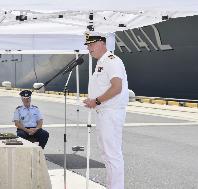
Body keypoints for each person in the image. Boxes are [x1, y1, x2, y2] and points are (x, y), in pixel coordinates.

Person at [83, 31, 129, 189]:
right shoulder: (102, 62)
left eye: (91, 44)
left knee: (112, 155)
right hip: (104, 113)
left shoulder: (112, 61)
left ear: (102, 43)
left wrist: (95, 101)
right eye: (88, 45)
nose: (89, 48)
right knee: (107, 154)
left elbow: (117, 87)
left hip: (111, 113)